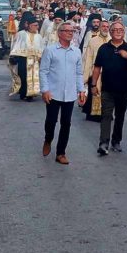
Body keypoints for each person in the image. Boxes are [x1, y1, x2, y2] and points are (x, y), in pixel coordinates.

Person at [40, 22, 86, 165]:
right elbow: (43, 71)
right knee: (51, 121)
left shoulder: (76, 51)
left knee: (66, 123)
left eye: (72, 31)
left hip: (70, 94)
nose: (70, 33)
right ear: (59, 33)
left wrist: (81, 90)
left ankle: (61, 153)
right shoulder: (50, 50)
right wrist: (45, 90)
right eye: (66, 31)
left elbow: (79, 73)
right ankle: (48, 139)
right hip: (53, 93)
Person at [91, 21, 127, 155]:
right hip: (107, 88)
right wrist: (93, 85)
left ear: (124, 32)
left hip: (123, 88)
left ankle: (116, 141)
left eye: (120, 30)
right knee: (106, 115)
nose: (118, 32)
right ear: (110, 32)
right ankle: (103, 143)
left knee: (120, 116)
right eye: (115, 30)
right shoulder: (104, 48)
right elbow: (97, 67)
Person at [80, 14, 107, 121]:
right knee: (94, 92)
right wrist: (85, 74)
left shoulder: (111, 40)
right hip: (95, 71)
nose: (105, 28)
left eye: (107, 27)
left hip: (108, 73)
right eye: (103, 26)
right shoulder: (93, 40)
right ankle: (93, 114)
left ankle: (105, 113)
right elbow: (88, 57)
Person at [10, 21, 43, 102]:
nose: (37, 27)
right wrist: (13, 55)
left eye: (37, 25)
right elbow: (16, 44)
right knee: (23, 76)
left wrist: (40, 57)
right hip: (23, 58)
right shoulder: (21, 34)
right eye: (35, 25)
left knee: (33, 77)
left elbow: (41, 47)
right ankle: (23, 93)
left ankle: (31, 94)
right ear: (29, 26)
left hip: (34, 60)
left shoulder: (39, 36)